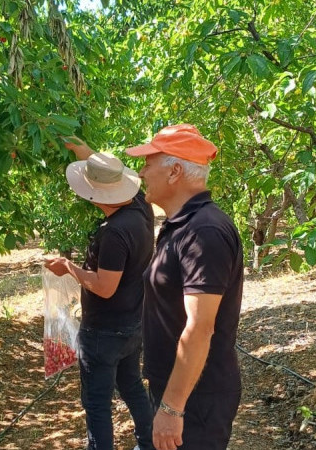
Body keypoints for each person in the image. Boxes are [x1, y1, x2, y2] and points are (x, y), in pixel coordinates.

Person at [124, 124, 244, 450]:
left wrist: (172, 408)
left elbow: (200, 327)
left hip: (195, 399)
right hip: (173, 387)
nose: (142, 171)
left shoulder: (203, 232)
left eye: (149, 163)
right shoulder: (180, 225)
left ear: (175, 171)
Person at [45, 138, 154, 450]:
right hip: (133, 323)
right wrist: (83, 150)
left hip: (104, 332)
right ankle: (148, 443)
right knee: (131, 384)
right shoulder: (141, 207)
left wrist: (69, 267)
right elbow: (111, 174)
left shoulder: (114, 233)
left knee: (96, 402)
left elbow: (105, 287)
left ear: (94, 195)